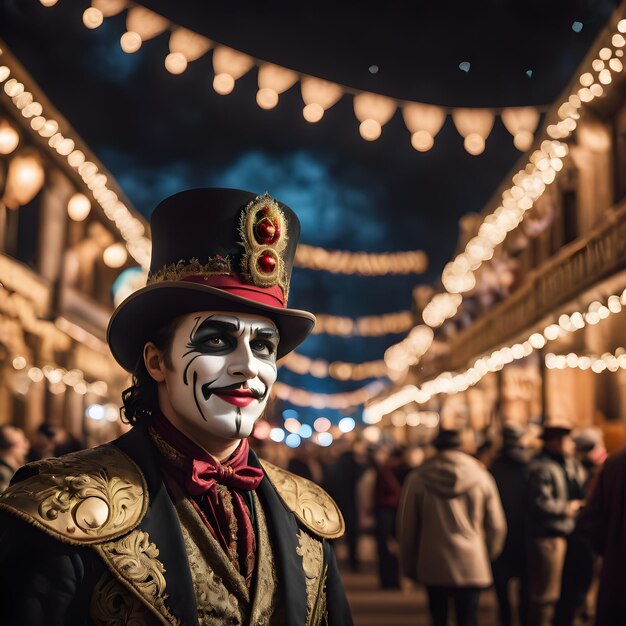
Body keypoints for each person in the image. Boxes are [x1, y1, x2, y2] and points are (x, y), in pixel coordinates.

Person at [0, 188, 353, 626]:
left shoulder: (308, 513)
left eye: (263, 346)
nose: (248, 367)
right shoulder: (59, 506)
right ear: (156, 361)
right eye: (217, 340)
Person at [397, 428, 507, 626]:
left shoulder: (418, 477)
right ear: (462, 446)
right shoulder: (482, 477)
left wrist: (408, 565)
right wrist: (486, 553)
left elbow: (408, 527)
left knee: (438, 618)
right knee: (468, 619)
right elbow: (497, 525)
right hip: (472, 562)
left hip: (432, 562)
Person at [525, 422, 586, 626]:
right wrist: (567, 508)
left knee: (565, 592)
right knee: (546, 596)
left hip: (568, 534)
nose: (571, 445)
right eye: (567, 440)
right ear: (555, 442)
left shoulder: (568, 464)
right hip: (548, 537)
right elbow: (539, 502)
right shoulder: (541, 467)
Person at [489, 423, 531, 626]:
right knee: (526, 591)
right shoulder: (529, 468)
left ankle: (505, 621)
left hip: (500, 536)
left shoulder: (492, 469)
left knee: (502, 592)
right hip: (525, 535)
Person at [0, 425, 30, 492]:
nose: (27, 446)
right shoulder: (3, 474)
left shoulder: (13, 471)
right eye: (23, 442)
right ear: (14, 446)